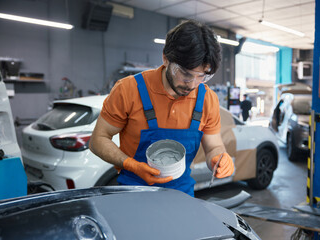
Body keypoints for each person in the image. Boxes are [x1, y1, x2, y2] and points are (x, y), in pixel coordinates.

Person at [89, 20, 235, 197]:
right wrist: (130, 164)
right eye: (185, 74)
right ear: (166, 58)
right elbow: (98, 140)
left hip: (181, 195)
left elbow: (214, 146)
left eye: (202, 76)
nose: (192, 84)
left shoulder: (207, 99)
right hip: (133, 192)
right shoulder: (128, 90)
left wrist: (219, 158)